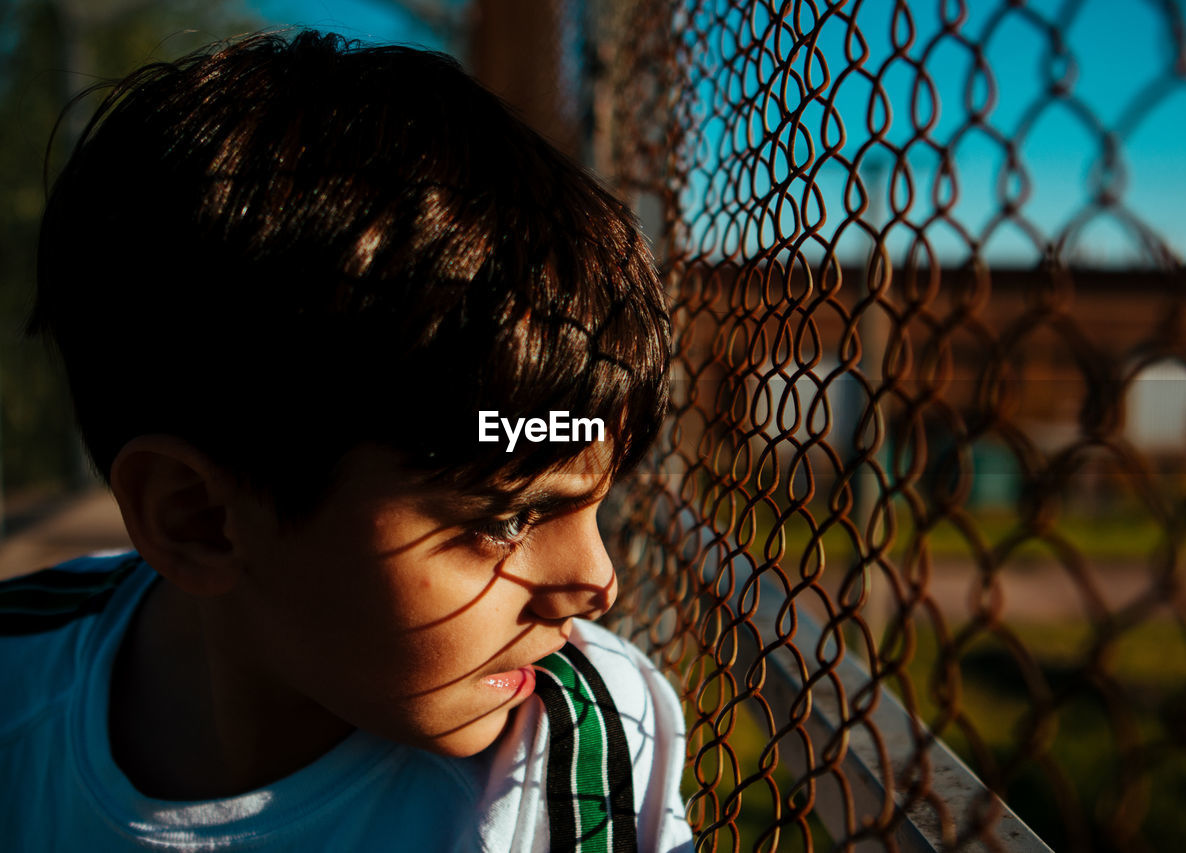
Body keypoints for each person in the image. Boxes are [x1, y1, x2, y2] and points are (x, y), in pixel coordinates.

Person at [0, 30, 690, 852]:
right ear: (198, 518)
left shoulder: (575, 749)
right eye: (506, 517)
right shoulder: (16, 676)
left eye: (594, 500)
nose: (598, 582)